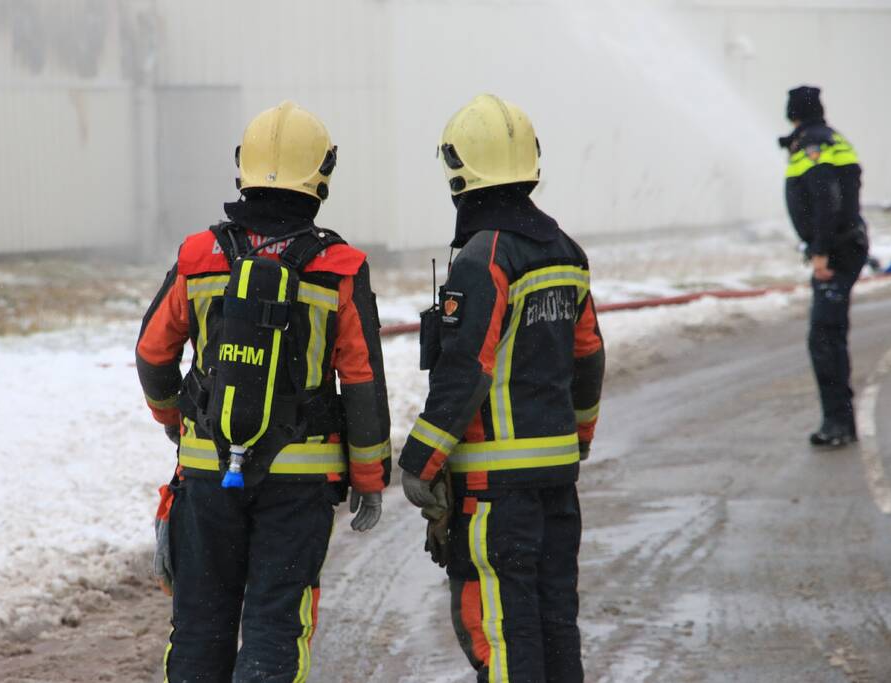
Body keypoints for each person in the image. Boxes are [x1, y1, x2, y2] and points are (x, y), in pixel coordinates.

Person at [136, 101, 391, 682]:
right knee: (278, 626)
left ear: (242, 168)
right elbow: (361, 380)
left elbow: (153, 354)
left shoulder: (199, 256)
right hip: (298, 484)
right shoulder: (339, 266)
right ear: (321, 173)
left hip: (206, 474)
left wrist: (179, 419)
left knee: (201, 626)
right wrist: (370, 478)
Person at [399, 94, 605, 683]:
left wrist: (420, 461)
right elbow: (588, 356)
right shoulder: (565, 251)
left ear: (460, 169)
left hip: (496, 495)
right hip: (556, 481)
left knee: (501, 633)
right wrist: (579, 437)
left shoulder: (485, 257)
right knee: (553, 622)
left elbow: (468, 368)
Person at [779, 86, 869, 447]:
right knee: (829, 336)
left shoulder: (813, 145)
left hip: (836, 251)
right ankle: (840, 421)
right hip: (845, 245)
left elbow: (827, 200)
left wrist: (819, 252)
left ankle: (838, 423)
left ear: (793, 113)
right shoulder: (831, 139)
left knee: (824, 338)